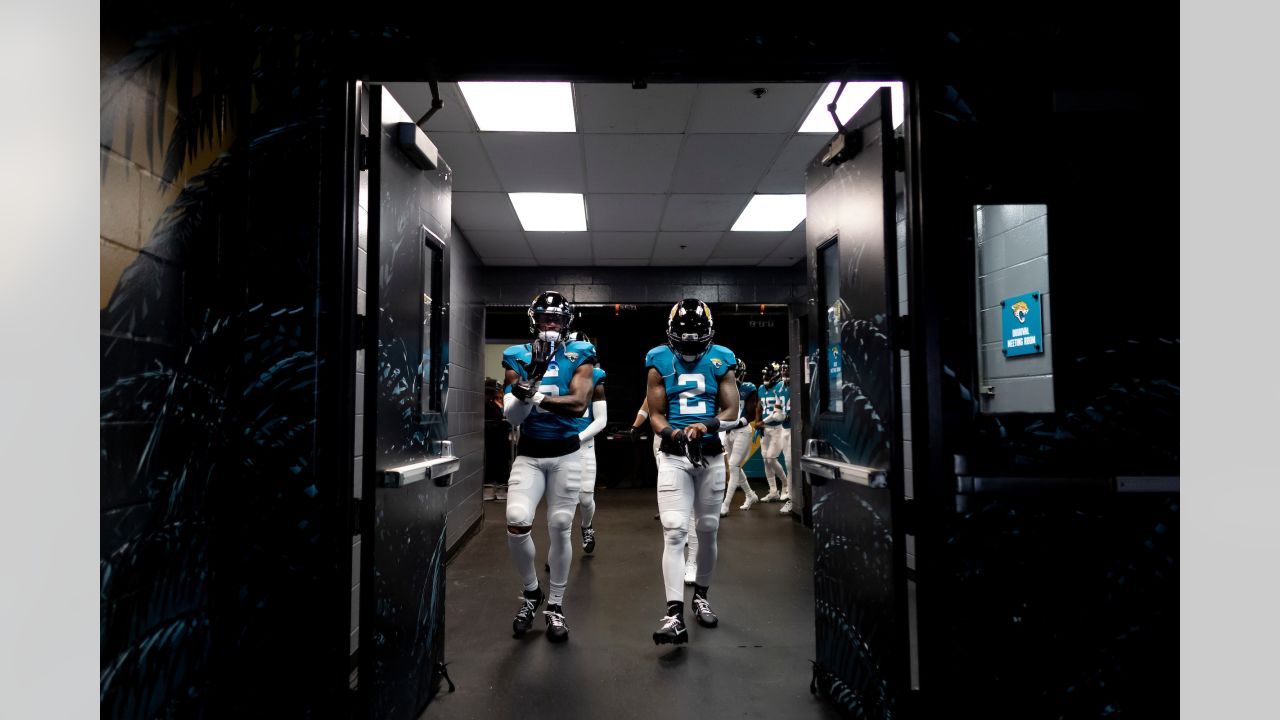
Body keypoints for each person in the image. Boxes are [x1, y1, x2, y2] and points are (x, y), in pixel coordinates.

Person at [646, 299, 746, 645]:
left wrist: (705, 426)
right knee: (674, 529)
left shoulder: (722, 359)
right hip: (674, 455)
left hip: (711, 455)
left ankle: (701, 595)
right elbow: (655, 413)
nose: (689, 346)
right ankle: (673, 613)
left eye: (695, 338)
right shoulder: (658, 361)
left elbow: (732, 409)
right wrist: (673, 433)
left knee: (707, 529)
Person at [501, 291, 597, 643]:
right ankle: (531, 592)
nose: (551, 323)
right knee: (516, 520)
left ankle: (555, 605)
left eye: (556, 318)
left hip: (567, 453)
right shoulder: (516, 355)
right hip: (529, 453)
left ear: (566, 322)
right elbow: (511, 417)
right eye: (545, 318)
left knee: (559, 525)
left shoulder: (581, 354)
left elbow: (577, 404)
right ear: (534, 319)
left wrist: (536, 393)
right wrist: (520, 395)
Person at [635, 394, 701, 584]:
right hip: (664, 441)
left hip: (692, 439)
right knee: (673, 513)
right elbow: (646, 407)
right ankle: (682, 558)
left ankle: (692, 562)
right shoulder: (658, 379)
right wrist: (635, 425)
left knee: (698, 514)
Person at [567, 331, 607, 555]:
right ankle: (558, 549)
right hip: (560, 444)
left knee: (584, 497)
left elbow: (601, 420)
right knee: (561, 503)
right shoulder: (555, 373)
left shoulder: (596, 376)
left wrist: (578, 438)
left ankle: (586, 525)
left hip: (583, 443)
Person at [720, 359, 761, 516]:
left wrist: (735, 423)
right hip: (729, 431)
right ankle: (750, 495)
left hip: (742, 430)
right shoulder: (723, 388)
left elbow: (750, 412)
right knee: (734, 467)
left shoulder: (748, 388)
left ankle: (726, 504)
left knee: (733, 465)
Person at [758, 360, 794, 514]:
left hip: (793, 429)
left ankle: (791, 496)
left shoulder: (796, 386)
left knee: (788, 463)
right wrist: (762, 422)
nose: (785, 371)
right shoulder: (779, 388)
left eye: (788, 368)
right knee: (786, 463)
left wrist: (787, 416)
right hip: (784, 428)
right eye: (784, 368)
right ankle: (778, 492)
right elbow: (777, 412)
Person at [483, 378, 511, 502]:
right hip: (495, 438)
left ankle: (495, 489)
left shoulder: (491, 403)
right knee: (496, 463)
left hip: (496, 438)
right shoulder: (488, 404)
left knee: (495, 462)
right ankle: (496, 489)